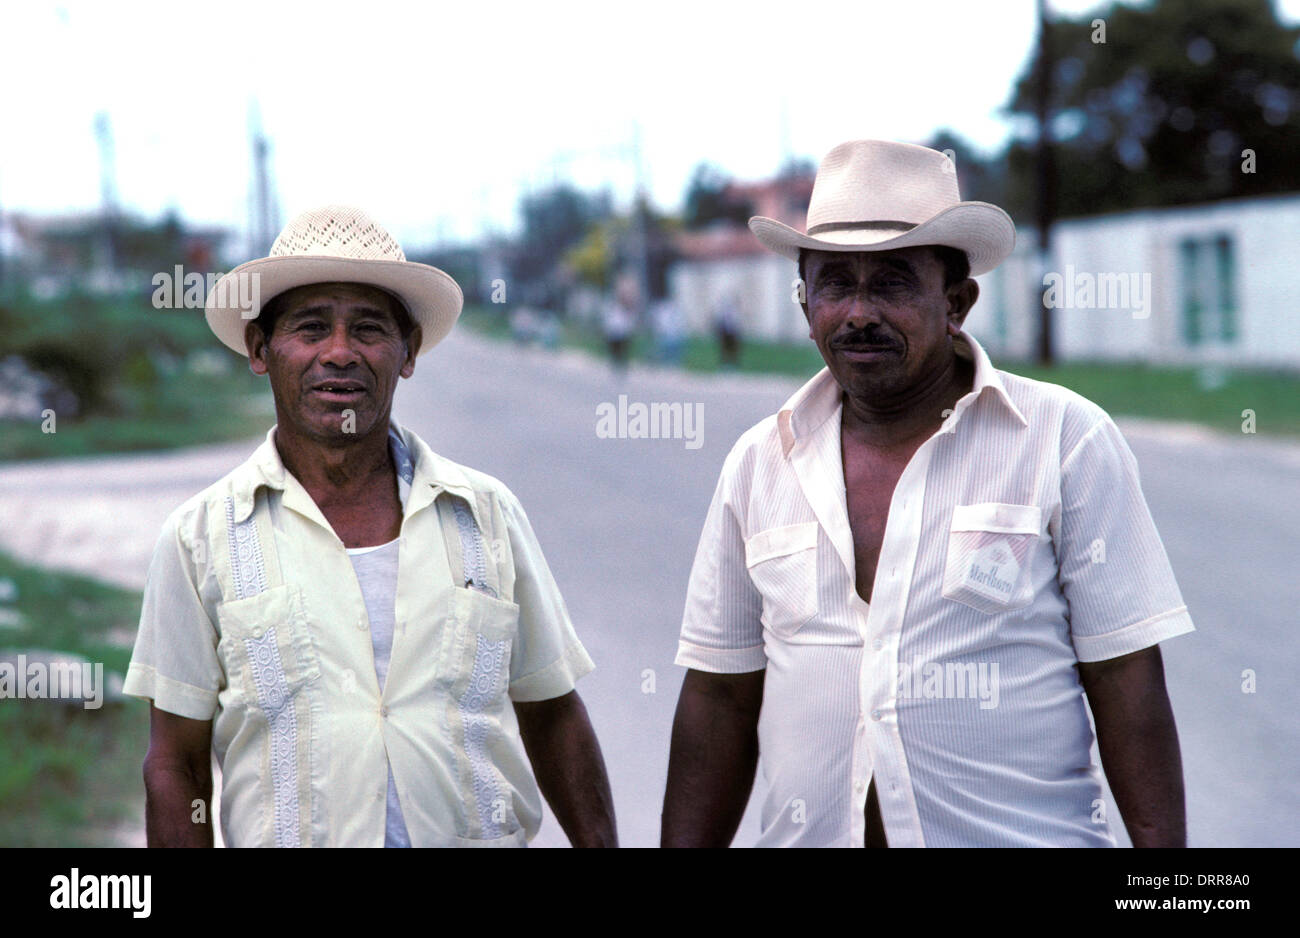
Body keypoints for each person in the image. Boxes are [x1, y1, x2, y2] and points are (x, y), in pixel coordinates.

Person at [662, 140, 1194, 848]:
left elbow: (1125, 677)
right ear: (804, 301)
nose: (857, 313)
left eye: (890, 284)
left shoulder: (1064, 440)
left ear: (956, 302)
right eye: (833, 284)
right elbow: (720, 696)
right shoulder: (759, 465)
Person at [124, 205, 617, 848]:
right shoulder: (199, 540)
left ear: (406, 351)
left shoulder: (487, 514)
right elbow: (176, 763)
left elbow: (553, 715)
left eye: (368, 328)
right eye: (309, 327)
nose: (339, 352)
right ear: (259, 349)